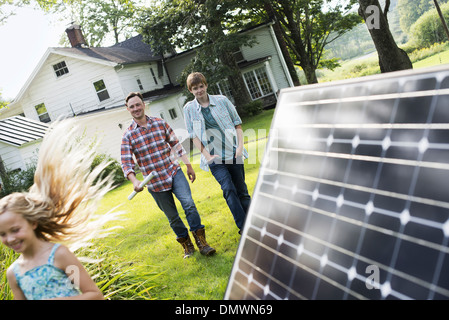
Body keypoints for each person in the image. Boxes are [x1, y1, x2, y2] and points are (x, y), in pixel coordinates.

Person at [0, 120, 113, 300]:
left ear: (33, 223)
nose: (10, 238)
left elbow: (94, 294)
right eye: (2, 234)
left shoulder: (59, 255)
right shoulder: (13, 274)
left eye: (15, 230)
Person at [120, 92, 215, 259]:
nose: (136, 108)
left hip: (173, 171)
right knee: (172, 217)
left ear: (143, 105)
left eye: (138, 104)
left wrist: (188, 165)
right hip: (155, 184)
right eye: (132, 106)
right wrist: (134, 180)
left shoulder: (159, 123)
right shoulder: (128, 135)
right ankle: (187, 245)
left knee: (189, 204)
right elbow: (126, 162)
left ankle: (202, 243)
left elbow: (175, 144)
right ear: (128, 109)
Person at [183, 72, 251, 234]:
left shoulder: (222, 101)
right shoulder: (189, 109)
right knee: (228, 189)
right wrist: (208, 156)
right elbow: (193, 135)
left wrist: (240, 148)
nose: (199, 90)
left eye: (201, 86)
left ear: (206, 85)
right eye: (195, 88)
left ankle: (252, 222)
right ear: (190, 90)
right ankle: (244, 228)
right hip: (214, 158)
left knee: (241, 190)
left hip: (233, 153)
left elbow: (238, 124)